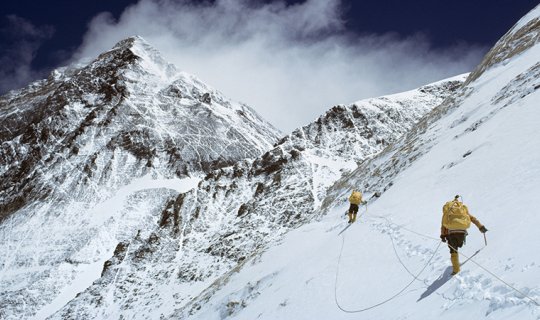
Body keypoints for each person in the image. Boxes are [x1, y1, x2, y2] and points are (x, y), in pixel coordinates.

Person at [440, 195, 488, 275]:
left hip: (451, 233)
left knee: (453, 250)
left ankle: (456, 269)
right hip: (462, 232)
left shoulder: (448, 211)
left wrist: (443, 235)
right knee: (458, 245)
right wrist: (481, 227)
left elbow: (443, 225)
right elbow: (472, 218)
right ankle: (456, 266)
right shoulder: (462, 209)